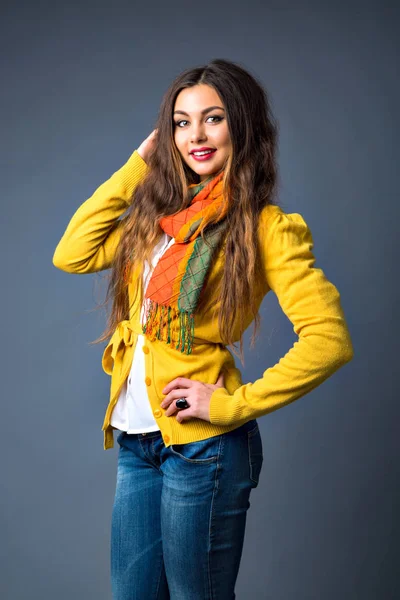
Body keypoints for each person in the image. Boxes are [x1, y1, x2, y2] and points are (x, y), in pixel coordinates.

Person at [52, 58, 354, 600]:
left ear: (241, 124)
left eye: (212, 118)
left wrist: (232, 405)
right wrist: (138, 165)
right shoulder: (158, 218)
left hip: (203, 449)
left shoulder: (265, 227)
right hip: (136, 441)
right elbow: (70, 253)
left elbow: (329, 339)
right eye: (180, 121)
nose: (195, 135)